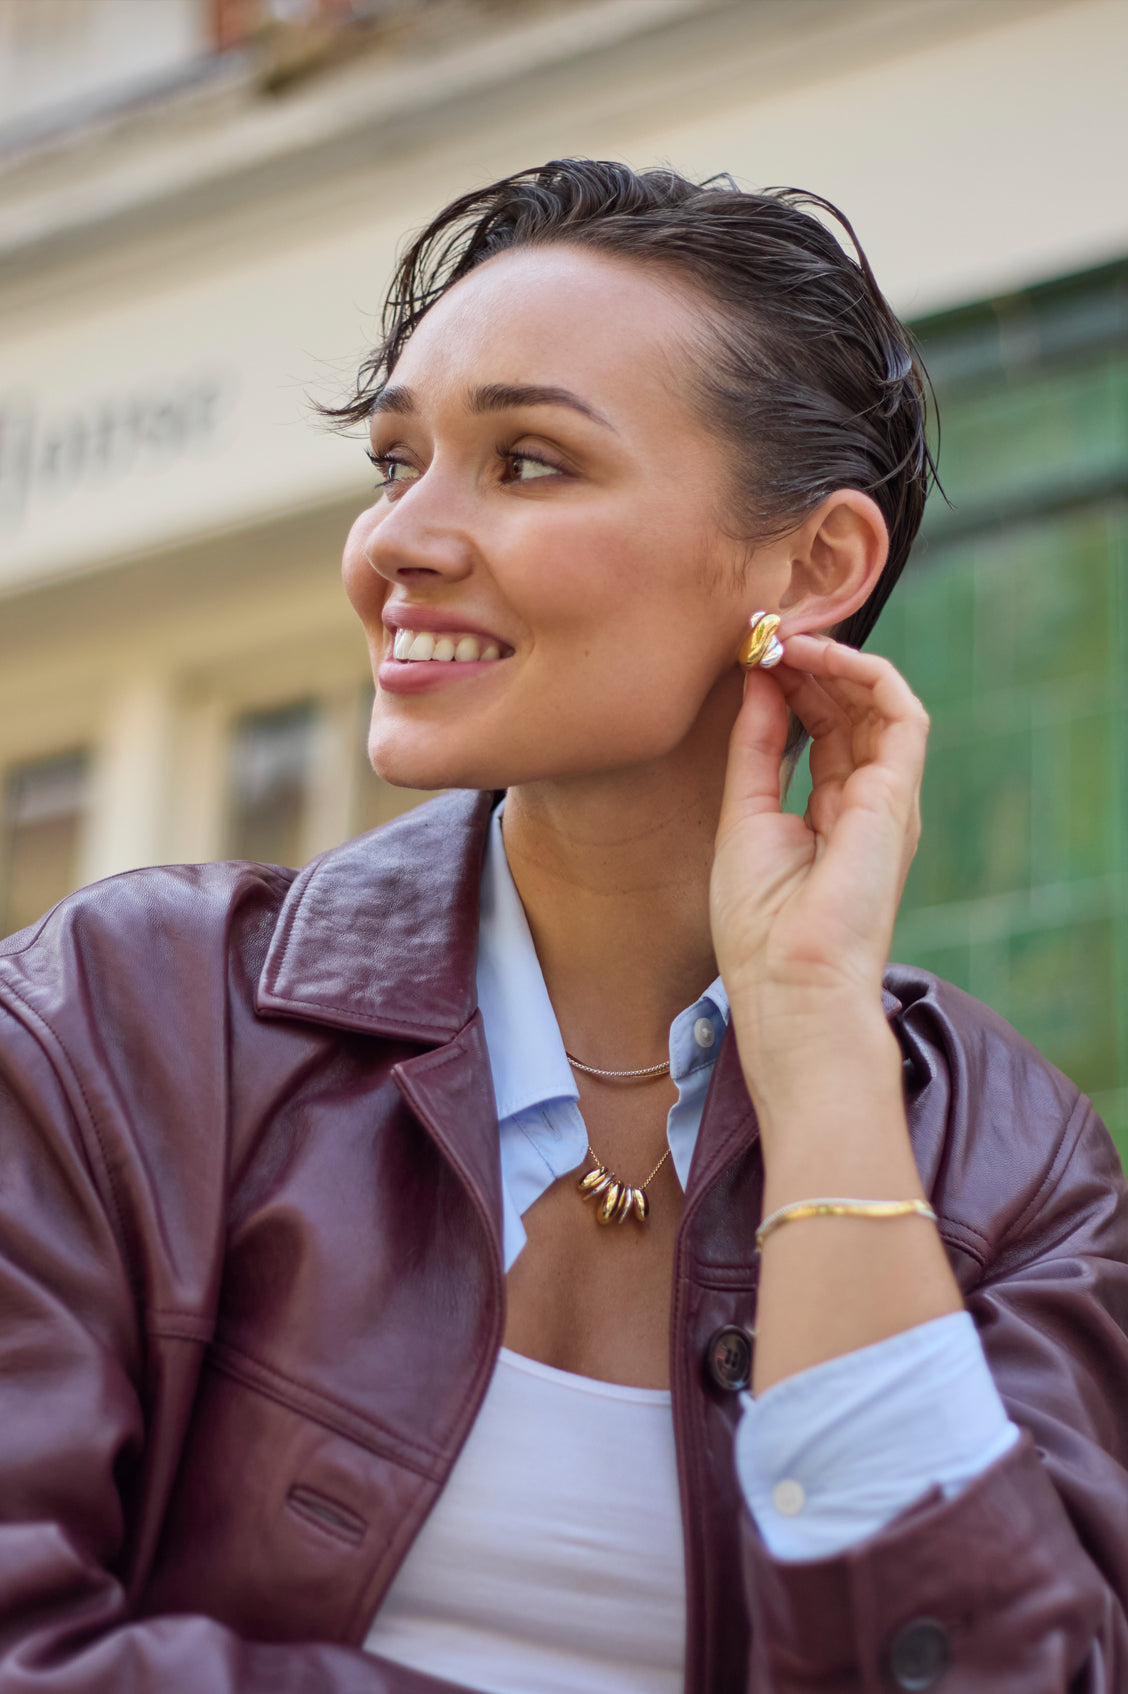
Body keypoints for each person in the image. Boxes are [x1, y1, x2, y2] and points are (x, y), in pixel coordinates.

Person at [1, 160, 1126, 1694]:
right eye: (398, 461)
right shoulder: (123, 1023)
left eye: (526, 461)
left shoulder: (1012, 1165)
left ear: (812, 565)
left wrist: (820, 1055)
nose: (398, 541)